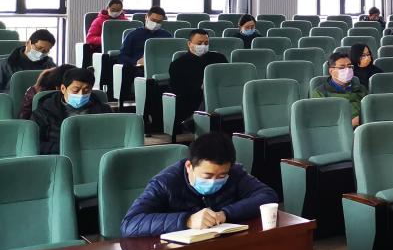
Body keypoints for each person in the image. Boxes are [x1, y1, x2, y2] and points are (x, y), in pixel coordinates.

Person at [120, 133, 277, 238]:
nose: (214, 181)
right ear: (189, 166)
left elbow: (268, 196)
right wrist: (187, 220)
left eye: (221, 176)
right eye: (207, 176)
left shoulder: (235, 173)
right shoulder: (165, 183)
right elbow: (130, 223)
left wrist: (225, 213)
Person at [32, 67, 111, 154]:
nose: (81, 94)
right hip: (59, 156)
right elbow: (33, 143)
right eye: (75, 90)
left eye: (86, 90)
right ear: (63, 89)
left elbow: (113, 137)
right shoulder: (45, 110)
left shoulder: (103, 110)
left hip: (95, 154)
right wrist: (65, 148)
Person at [167, 30, 229, 129]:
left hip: (220, 95)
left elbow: (227, 78)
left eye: (206, 43)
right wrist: (200, 87)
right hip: (192, 99)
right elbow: (177, 89)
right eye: (199, 43)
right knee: (207, 93)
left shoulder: (219, 58)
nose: (203, 46)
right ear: (189, 44)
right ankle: (194, 120)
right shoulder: (178, 64)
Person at [118, 7, 169, 100]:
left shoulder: (166, 36)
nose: (155, 23)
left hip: (161, 68)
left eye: (159, 22)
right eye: (153, 20)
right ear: (146, 17)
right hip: (140, 68)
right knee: (129, 70)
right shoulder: (133, 35)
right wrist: (136, 61)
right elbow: (122, 56)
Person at [312, 51, 366, 126]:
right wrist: (350, 124)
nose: (347, 70)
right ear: (331, 71)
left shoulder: (361, 88)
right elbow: (322, 120)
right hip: (338, 130)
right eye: (342, 67)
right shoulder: (320, 92)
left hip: (364, 127)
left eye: (349, 66)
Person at [0, 29, 57, 93]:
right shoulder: (4, 65)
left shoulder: (49, 65)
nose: (41, 53)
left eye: (45, 51)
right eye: (39, 48)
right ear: (28, 43)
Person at [84, 0, 127, 66]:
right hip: (102, 48)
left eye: (118, 10)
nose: (115, 12)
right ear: (107, 8)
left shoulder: (125, 21)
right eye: (113, 10)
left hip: (120, 48)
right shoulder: (98, 21)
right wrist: (105, 40)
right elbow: (90, 38)